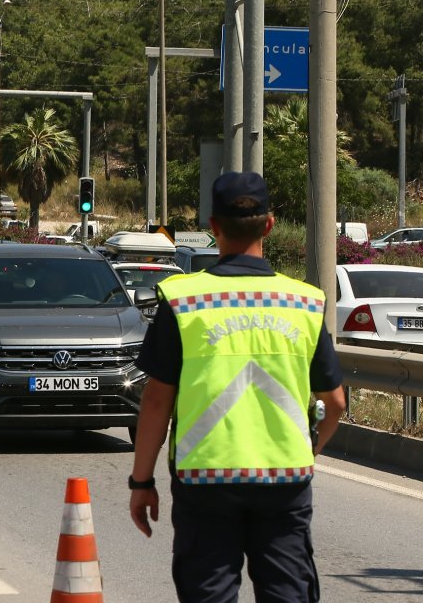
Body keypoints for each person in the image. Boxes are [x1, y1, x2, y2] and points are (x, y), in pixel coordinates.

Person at [128, 171, 346, 602]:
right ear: (269, 224)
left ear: (213, 228)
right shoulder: (303, 302)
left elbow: (155, 402)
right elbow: (335, 402)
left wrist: (141, 482)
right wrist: (308, 447)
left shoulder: (182, 300)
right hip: (285, 479)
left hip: (204, 480)